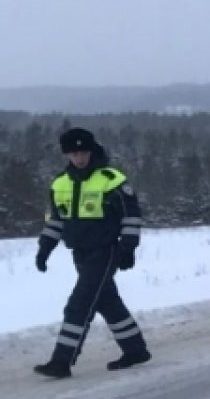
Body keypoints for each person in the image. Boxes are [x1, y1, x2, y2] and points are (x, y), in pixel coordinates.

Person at [33, 127, 151, 378]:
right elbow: (56, 221)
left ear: (91, 150)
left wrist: (128, 249)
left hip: (105, 251)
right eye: (74, 153)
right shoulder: (59, 183)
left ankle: (62, 361)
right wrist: (44, 250)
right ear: (67, 155)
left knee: (79, 304)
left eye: (83, 151)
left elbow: (131, 216)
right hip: (80, 253)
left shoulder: (111, 179)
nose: (79, 157)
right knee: (107, 302)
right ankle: (135, 349)